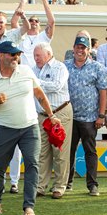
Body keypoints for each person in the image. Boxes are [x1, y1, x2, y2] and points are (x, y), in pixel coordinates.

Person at [0, 41, 60, 215]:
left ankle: (29, 207)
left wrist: (51, 115)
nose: (16, 57)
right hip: (6, 128)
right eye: (11, 54)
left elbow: (39, 94)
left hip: (30, 127)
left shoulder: (26, 71)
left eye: (17, 54)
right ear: (1, 56)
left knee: (32, 163)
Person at [65, 33, 107, 194]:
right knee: (68, 151)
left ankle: (92, 185)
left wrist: (101, 115)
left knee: (90, 151)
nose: (80, 50)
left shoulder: (96, 67)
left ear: (88, 50)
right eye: (77, 47)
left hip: (90, 118)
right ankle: (66, 182)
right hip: (70, 117)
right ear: (73, 48)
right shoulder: (66, 65)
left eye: (83, 48)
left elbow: (103, 92)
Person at [33, 43, 72, 199]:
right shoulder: (35, 69)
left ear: (48, 54)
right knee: (42, 152)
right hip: (42, 115)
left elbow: (56, 86)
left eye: (38, 56)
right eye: (35, 56)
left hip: (60, 112)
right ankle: (40, 185)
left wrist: (36, 83)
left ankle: (59, 186)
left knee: (60, 151)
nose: (36, 59)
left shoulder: (60, 67)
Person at [13, 0, 54, 68]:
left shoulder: (44, 36)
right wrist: (22, 3)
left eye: (36, 21)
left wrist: (44, 0)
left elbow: (51, 21)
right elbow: (14, 22)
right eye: (31, 20)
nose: (34, 22)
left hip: (40, 72)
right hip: (23, 74)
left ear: (40, 25)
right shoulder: (21, 35)